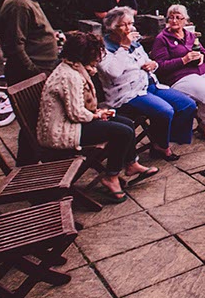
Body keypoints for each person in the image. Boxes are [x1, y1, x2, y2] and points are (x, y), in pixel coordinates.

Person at [39, 32, 158, 202]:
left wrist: (98, 114)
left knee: (126, 123)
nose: (98, 58)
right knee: (121, 132)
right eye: (95, 54)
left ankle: (131, 164)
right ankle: (111, 177)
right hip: (64, 131)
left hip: (72, 122)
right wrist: (97, 115)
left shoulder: (74, 68)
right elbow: (76, 113)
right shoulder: (70, 76)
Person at [97, 6, 198, 161]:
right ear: (112, 28)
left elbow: (150, 62)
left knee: (188, 105)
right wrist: (123, 46)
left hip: (150, 85)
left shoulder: (135, 43)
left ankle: (161, 140)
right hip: (127, 94)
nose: (129, 28)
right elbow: (113, 72)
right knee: (165, 111)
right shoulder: (105, 48)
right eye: (123, 25)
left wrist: (153, 65)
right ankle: (161, 146)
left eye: (130, 23)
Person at [151, 4, 205, 141]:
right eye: (171, 18)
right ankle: (204, 123)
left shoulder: (190, 35)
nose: (174, 21)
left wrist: (203, 57)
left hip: (200, 71)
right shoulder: (162, 39)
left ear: (185, 20)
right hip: (178, 77)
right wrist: (183, 60)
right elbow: (159, 66)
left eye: (178, 18)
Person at [0, 0, 59, 85]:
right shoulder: (19, 4)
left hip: (40, 71)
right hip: (31, 75)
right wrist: (34, 72)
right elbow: (14, 45)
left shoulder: (28, 1)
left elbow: (31, 31)